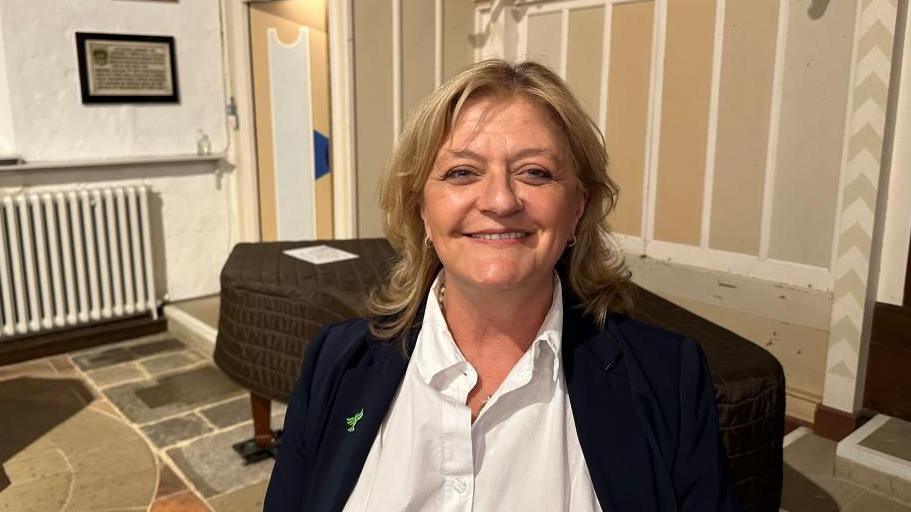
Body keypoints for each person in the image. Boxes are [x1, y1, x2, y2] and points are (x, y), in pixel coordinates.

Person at [265, 59, 740, 512]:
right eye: (461, 172)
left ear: (578, 207)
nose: (499, 200)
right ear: (422, 210)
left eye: (534, 172)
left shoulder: (668, 376)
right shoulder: (335, 361)